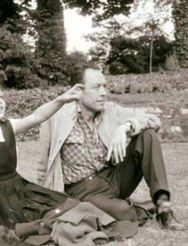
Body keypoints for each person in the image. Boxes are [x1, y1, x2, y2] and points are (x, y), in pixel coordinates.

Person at [38, 65, 185, 230]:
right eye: (96, 87)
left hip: (113, 176)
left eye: (104, 86)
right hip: (83, 191)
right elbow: (44, 165)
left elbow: (153, 120)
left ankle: (163, 205)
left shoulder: (110, 110)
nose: (103, 93)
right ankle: (144, 208)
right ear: (79, 91)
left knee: (147, 135)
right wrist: (46, 203)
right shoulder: (55, 118)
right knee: (124, 213)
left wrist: (126, 127)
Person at [0, 78, 81, 227]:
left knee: (67, 205)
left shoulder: (7, 125)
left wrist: (61, 100)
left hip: (18, 187)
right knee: (31, 225)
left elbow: (37, 117)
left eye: (0, 96)